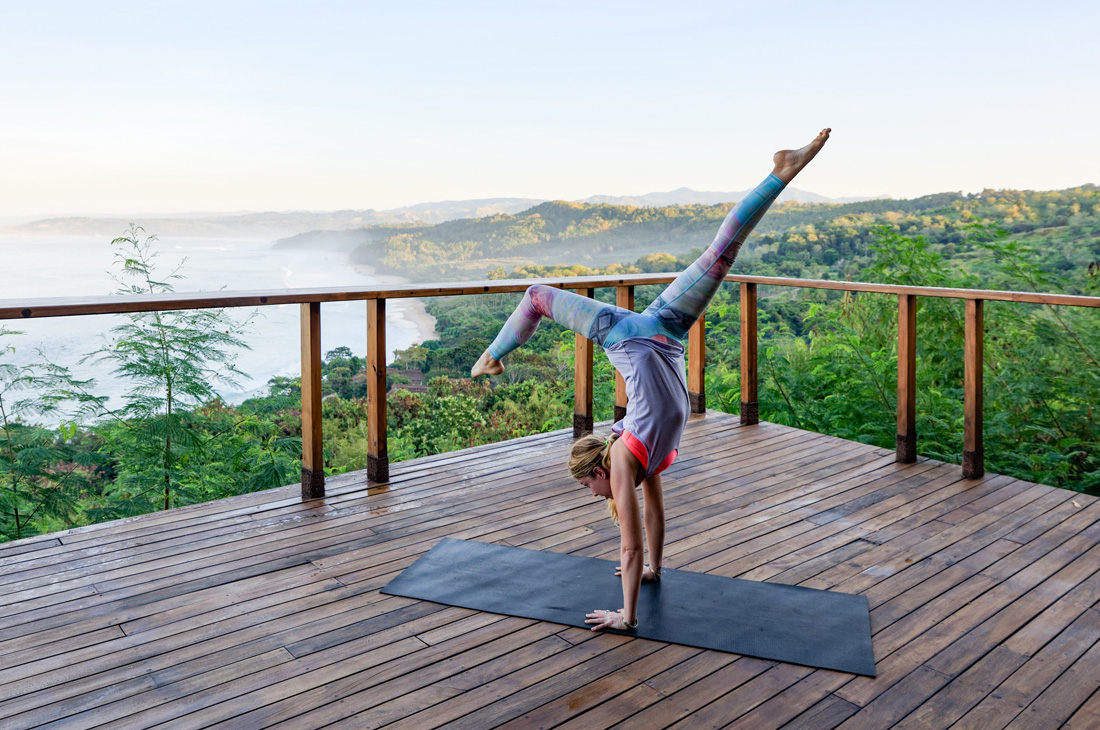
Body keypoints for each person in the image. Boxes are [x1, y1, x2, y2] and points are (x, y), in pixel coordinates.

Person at [471, 129, 831, 631]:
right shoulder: (642, 453)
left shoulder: (624, 459)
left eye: (586, 489)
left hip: (632, 338)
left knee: (536, 294)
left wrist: (627, 617)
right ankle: (781, 172)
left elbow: (629, 542)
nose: (594, 496)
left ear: (592, 473)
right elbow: (655, 519)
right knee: (721, 254)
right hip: (665, 331)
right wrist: (656, 570)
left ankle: (490, 357)